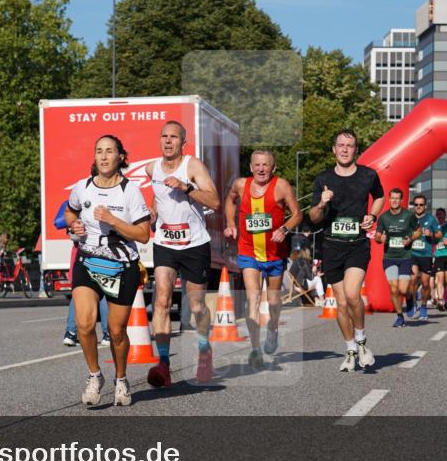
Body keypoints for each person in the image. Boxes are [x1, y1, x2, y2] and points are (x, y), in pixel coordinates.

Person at [65, 135, 151, 407]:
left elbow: (144, 234)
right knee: (85, 324)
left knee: (116, 331)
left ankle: (122, 379)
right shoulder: (82, 187)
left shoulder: (130, 191)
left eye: (109, 151)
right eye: (99, 151)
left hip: (121, 265)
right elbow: (70, 213)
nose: (103, 157)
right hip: (88, 260)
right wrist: (74, 227)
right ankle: (94, 375)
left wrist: (113, 220)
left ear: (120, 157)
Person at [145, 120, 221, 389]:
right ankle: (164, 365)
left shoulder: (192, 166)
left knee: (197, 305)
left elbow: (214, 201)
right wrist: (153, 212)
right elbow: (157, 195)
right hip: (165, 242)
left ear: (182, 142)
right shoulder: (151, 168)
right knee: (162, 300)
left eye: (173, 137)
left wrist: (186, 187)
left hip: (194, 244)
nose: (168, 141)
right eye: (164, 136)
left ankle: (204, 351)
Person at [308, 129, 385, 372]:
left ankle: (362, 341)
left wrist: (372, 215)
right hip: (331, 246)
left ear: (356, 150)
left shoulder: (368, 175)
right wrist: (322, 202)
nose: (344, 149)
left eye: (349, 145)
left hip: (357, 245)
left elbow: (380, 197)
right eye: (340, 145)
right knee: (340, 304)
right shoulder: (322, 179)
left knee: (353, 295)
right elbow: (313, 217)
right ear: (334, 149)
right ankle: (350, 349)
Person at [224, 150, 302, 368]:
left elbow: (297, 214)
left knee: (274, 301)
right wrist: (230, 223)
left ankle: (273, 328)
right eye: (257, 165)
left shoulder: (281, 186)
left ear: (273, 168)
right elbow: (229, 201)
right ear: (250, 167)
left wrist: (285, 229)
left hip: (275, 254)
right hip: (248, 252)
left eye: (265, 165)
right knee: (254, 298)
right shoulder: (240, 185)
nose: (261, 169)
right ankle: (255, 349)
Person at [375, 188, 420, 328]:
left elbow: (418, 231)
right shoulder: (383, 217)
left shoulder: (408, 215)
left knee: (403, 289)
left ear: (401, 200)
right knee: (394, 289)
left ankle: (410, 298)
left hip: (405, 256)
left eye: (397, 198)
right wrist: (379, 238)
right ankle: (400, 316)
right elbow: (377, 236)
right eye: (392, 198)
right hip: (389, 257)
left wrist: (411, 238)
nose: (394, 200)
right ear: (389, 199)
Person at [408, 195, 441, 320]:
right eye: (416, 204)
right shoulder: (409, 218)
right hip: (412, 253)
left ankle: (423, 306)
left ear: (425, 206)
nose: (418, 207)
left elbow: (439, 234)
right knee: (412, 279)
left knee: (425, 283)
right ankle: (413, 303)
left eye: (421, 205)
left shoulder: (431, 219)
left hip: (426, 255)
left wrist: (431, 233)